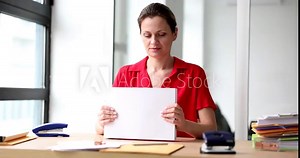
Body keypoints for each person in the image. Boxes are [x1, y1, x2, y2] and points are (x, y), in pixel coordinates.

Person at [96, 2, 217, 139]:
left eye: (161, 34)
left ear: (175, 33)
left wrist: (184, 125)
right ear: (141, 35)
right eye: (147, 35)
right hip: (135, 150)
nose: (153, 42)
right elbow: (102, 128)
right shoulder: (125, 74)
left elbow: (211, 129)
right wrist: (101, 123)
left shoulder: (194, 73)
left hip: (181, 152)